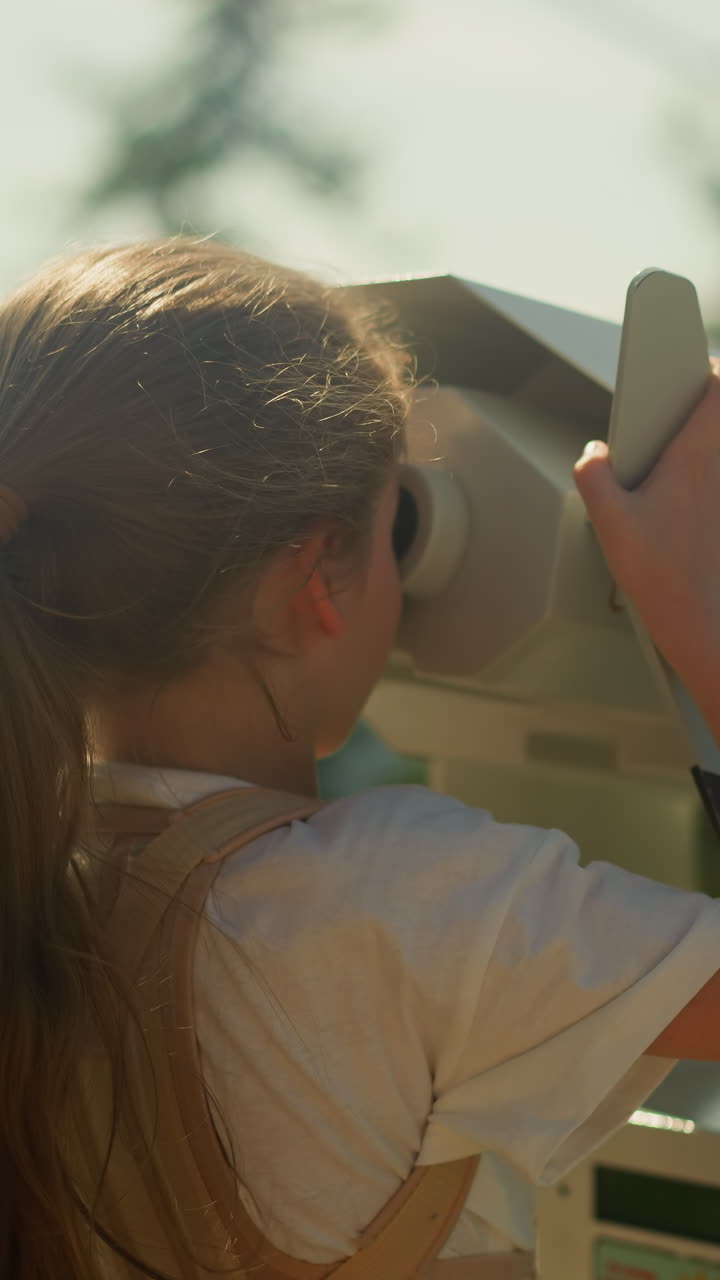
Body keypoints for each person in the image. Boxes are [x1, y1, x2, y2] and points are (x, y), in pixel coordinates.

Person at [1, 237, 719, 1280]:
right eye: (396, 525)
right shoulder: (408, 906)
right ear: (315, 583)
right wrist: (701, 617)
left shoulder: (40, 883)